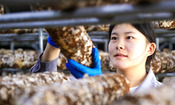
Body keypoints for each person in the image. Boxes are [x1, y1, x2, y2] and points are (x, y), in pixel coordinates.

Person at [30, 22, 163, 93]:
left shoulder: (163, 95)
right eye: (114, 38)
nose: (119, 45)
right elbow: (36, 90)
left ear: (150, 49)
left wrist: (101, 90)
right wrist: (54, 43)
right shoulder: (87, 82)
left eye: (129, 37)